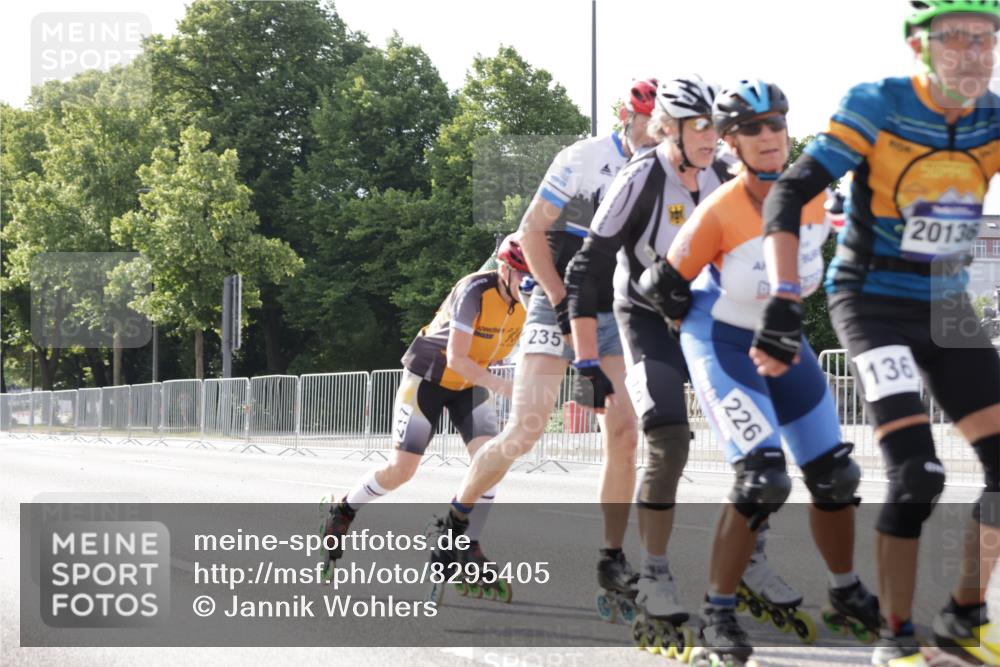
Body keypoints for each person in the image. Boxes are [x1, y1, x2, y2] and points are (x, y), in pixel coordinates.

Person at [752, 3, 1000, 665]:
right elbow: (790, 189)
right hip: (873, 301)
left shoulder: (994, 118)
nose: (975, 53)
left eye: (987, 38)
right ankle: (894, 637)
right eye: (957, 39)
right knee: (917, 472)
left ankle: (962, 616)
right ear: (919, 45)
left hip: (947, 307)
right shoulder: (880, 105)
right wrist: (781, 299)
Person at [641, 79, 880, 664]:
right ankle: (718, 614)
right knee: (762, 480)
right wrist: (678, 355)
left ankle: (846, 590)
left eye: (775, 124)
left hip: (786, 344)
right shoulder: (719, 213)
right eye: (751, 128)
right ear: (730, 142)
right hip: (721, 342)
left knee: (835, 478)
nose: (768, 136)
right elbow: (661, 286)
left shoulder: (820, 194)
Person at [425, 79, 659, 610]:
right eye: (650, 124)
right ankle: (455, 521)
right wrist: (558, 300)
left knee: (623, 434)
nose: (657, 135)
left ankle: (611, 558)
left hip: (612, 306)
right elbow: (532, 233)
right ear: (627, 118)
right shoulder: (582, 157)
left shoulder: (662, 171)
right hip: (556, 297)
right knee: (526, 428)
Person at [563, 75, 752, 655]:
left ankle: (753, 561)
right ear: (667, 128)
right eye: (700, 127)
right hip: (644, 320)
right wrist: (587, 360)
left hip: (706, 316)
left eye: (716, 128)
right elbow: (584, 272)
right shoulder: (638, 177)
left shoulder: (723, 168)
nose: (712, 138)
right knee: (666, 437)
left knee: (755, 443)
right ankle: (654, 573)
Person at [320, 235, 532, 589]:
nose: (531, 285)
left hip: (471, 384)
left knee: (492, 462)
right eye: (525, 277)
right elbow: (457, 358)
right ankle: (343, 509)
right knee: (402, 470)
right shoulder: (475, 290)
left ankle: (468, 544)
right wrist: (505, 387)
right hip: (429, 377)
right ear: (504, 269)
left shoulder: (532, 301)